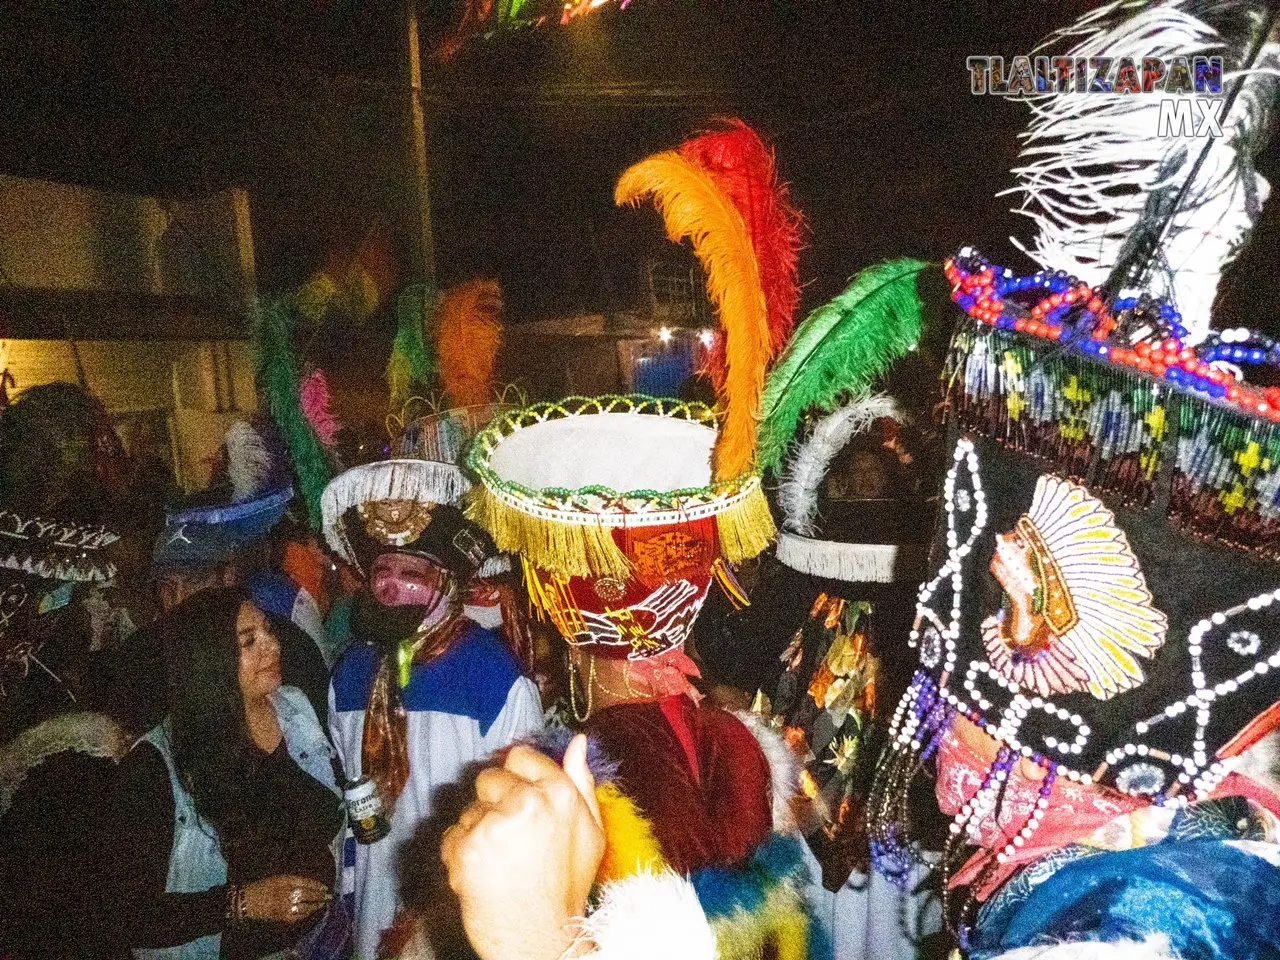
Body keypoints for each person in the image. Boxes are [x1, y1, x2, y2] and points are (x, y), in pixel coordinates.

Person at [321, 457, 543, 960]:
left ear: (447, 581)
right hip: (371, 907)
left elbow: (517, 815)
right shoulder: (350, 674)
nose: (390, 586)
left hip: (455, 918)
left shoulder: (495, 680)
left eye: (411, 572)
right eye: (380, 569)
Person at [104, 587, 347, 959]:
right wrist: (245, 903)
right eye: (248, 642)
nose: (272, 646)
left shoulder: (295, 708)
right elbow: (127, 915)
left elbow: (324, 809)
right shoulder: (156, 764)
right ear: (209, 658)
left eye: (268, 631)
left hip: (318, 944)